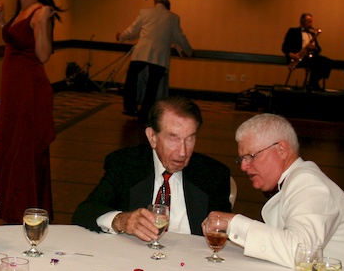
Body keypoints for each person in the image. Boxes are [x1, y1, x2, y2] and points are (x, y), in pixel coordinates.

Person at [204, 113, 344, 271]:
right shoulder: (297, 180)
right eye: (241, 159)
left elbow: (300, 253)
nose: (244, 167)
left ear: (281, 149)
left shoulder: (309, 182)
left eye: (251, 156)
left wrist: (234, 223)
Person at [73, 96, 232, 243]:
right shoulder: (126, 164)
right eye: (173, 138)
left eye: (190, 138)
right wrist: (121, 220)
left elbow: (225, 232)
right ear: (152, 137)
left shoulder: (213, 175)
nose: (183, 152)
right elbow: (85, 213)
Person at [0, 0, 64, 223]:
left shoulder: (39, 12)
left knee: (24, 146)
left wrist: (44, 21)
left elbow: (42, 55)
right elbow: (14, 42)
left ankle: (24, 208)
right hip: (13, 87)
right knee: (12, 144)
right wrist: (1, 21)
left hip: (29, 90)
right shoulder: (21, 11)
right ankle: (11, 206)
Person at [117, 0, 193, 122]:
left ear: (154, 0)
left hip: (141, 53)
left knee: (131, 80)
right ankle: (144, 112)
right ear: (167, 0)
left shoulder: (145, 12)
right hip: (160, 57)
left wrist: (121, 37)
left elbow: (133, 30)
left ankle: (130, 107)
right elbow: (178, 38)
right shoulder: (173, 18)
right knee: (152, 87)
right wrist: (188, 51)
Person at [282, 13, 332, 92]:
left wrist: (314, 48)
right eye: (309, 22)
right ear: (302, 21)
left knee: (328, 62)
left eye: (311, 22)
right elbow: (285, 47)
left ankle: (313, 82)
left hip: (311, 57)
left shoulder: (312, 34)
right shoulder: (293, 31)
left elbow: (319, 49)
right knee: (315, 62)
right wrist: (291, 54)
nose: (311, 24)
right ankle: (312, 84)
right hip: (299, 57)